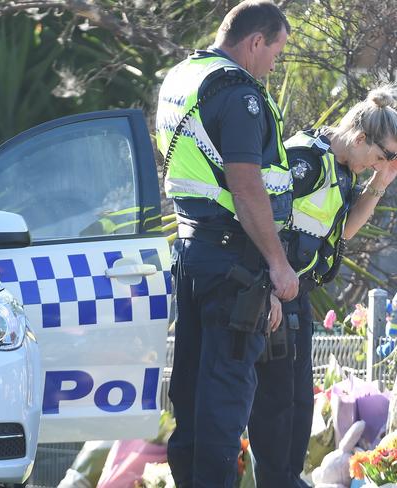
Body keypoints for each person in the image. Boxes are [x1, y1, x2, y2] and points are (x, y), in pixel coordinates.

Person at [155, 1, 298, 486]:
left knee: (193, 390)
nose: (274, 65)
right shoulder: (239, 93)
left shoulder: (183, 77)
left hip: (193, 253)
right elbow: (246, 186)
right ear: (256, 41)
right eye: (275, 52)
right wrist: (278, 265)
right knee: (225, 394)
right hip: (234, 262)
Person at [248, 87, 397, 487]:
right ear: (359, 139)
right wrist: (268, 289)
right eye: (376, 156)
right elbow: (259, 220)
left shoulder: (341, 166)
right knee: (275, 402)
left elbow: (345, 230)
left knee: (300, 401)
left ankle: (289, 477)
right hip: (273, 289)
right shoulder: (306, 159)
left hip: (297, 293)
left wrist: (380, 181)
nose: (374, 164)